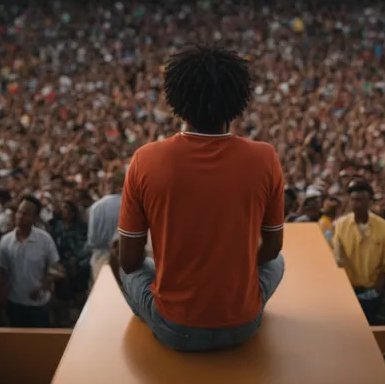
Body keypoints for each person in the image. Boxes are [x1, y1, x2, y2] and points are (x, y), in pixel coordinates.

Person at [114, 45, 285, 352]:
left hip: (175, 329)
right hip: (244, 324)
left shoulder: (145, 159)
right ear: (238, 101)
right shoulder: (266, 158)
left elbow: (129, 260)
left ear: (176, 100)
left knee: (128, 268)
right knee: (279, 263)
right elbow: (272, 248)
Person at [333, 180, 385, 324]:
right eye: (353, 200)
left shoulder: (383, 227)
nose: (356, 204)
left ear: (370, 202)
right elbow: (338, 259)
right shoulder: (341, 225)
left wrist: (376, 290)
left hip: (371, 292)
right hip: (348, 291)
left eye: (361, 200)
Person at [0, 196, 62, 328]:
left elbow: (56, 268)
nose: (20, 217)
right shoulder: (5, 241)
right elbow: (2, 275)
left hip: (39, 305)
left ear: (35, 218)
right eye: (19, 212)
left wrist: (43, 286)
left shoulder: (45, 240)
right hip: (14, 303)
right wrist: (1, 308)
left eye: (26, 214)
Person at [86, 171, 123, 284]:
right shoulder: (132, 204)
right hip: (126, 259)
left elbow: (92, 240)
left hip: (101, 259)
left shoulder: (96, 207)